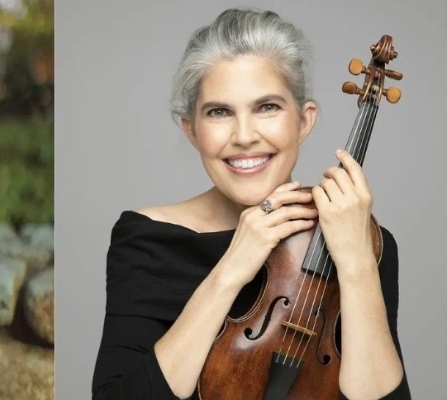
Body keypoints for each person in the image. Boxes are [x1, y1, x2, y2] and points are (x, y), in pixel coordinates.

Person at [91, 8, 410, 400]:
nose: (244, 136)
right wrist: (231, 268)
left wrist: (358, 264)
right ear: (191, 130)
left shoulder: (364, 241)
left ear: (304, 121)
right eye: (219, 112)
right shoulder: (146, 239)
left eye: (268, 107)